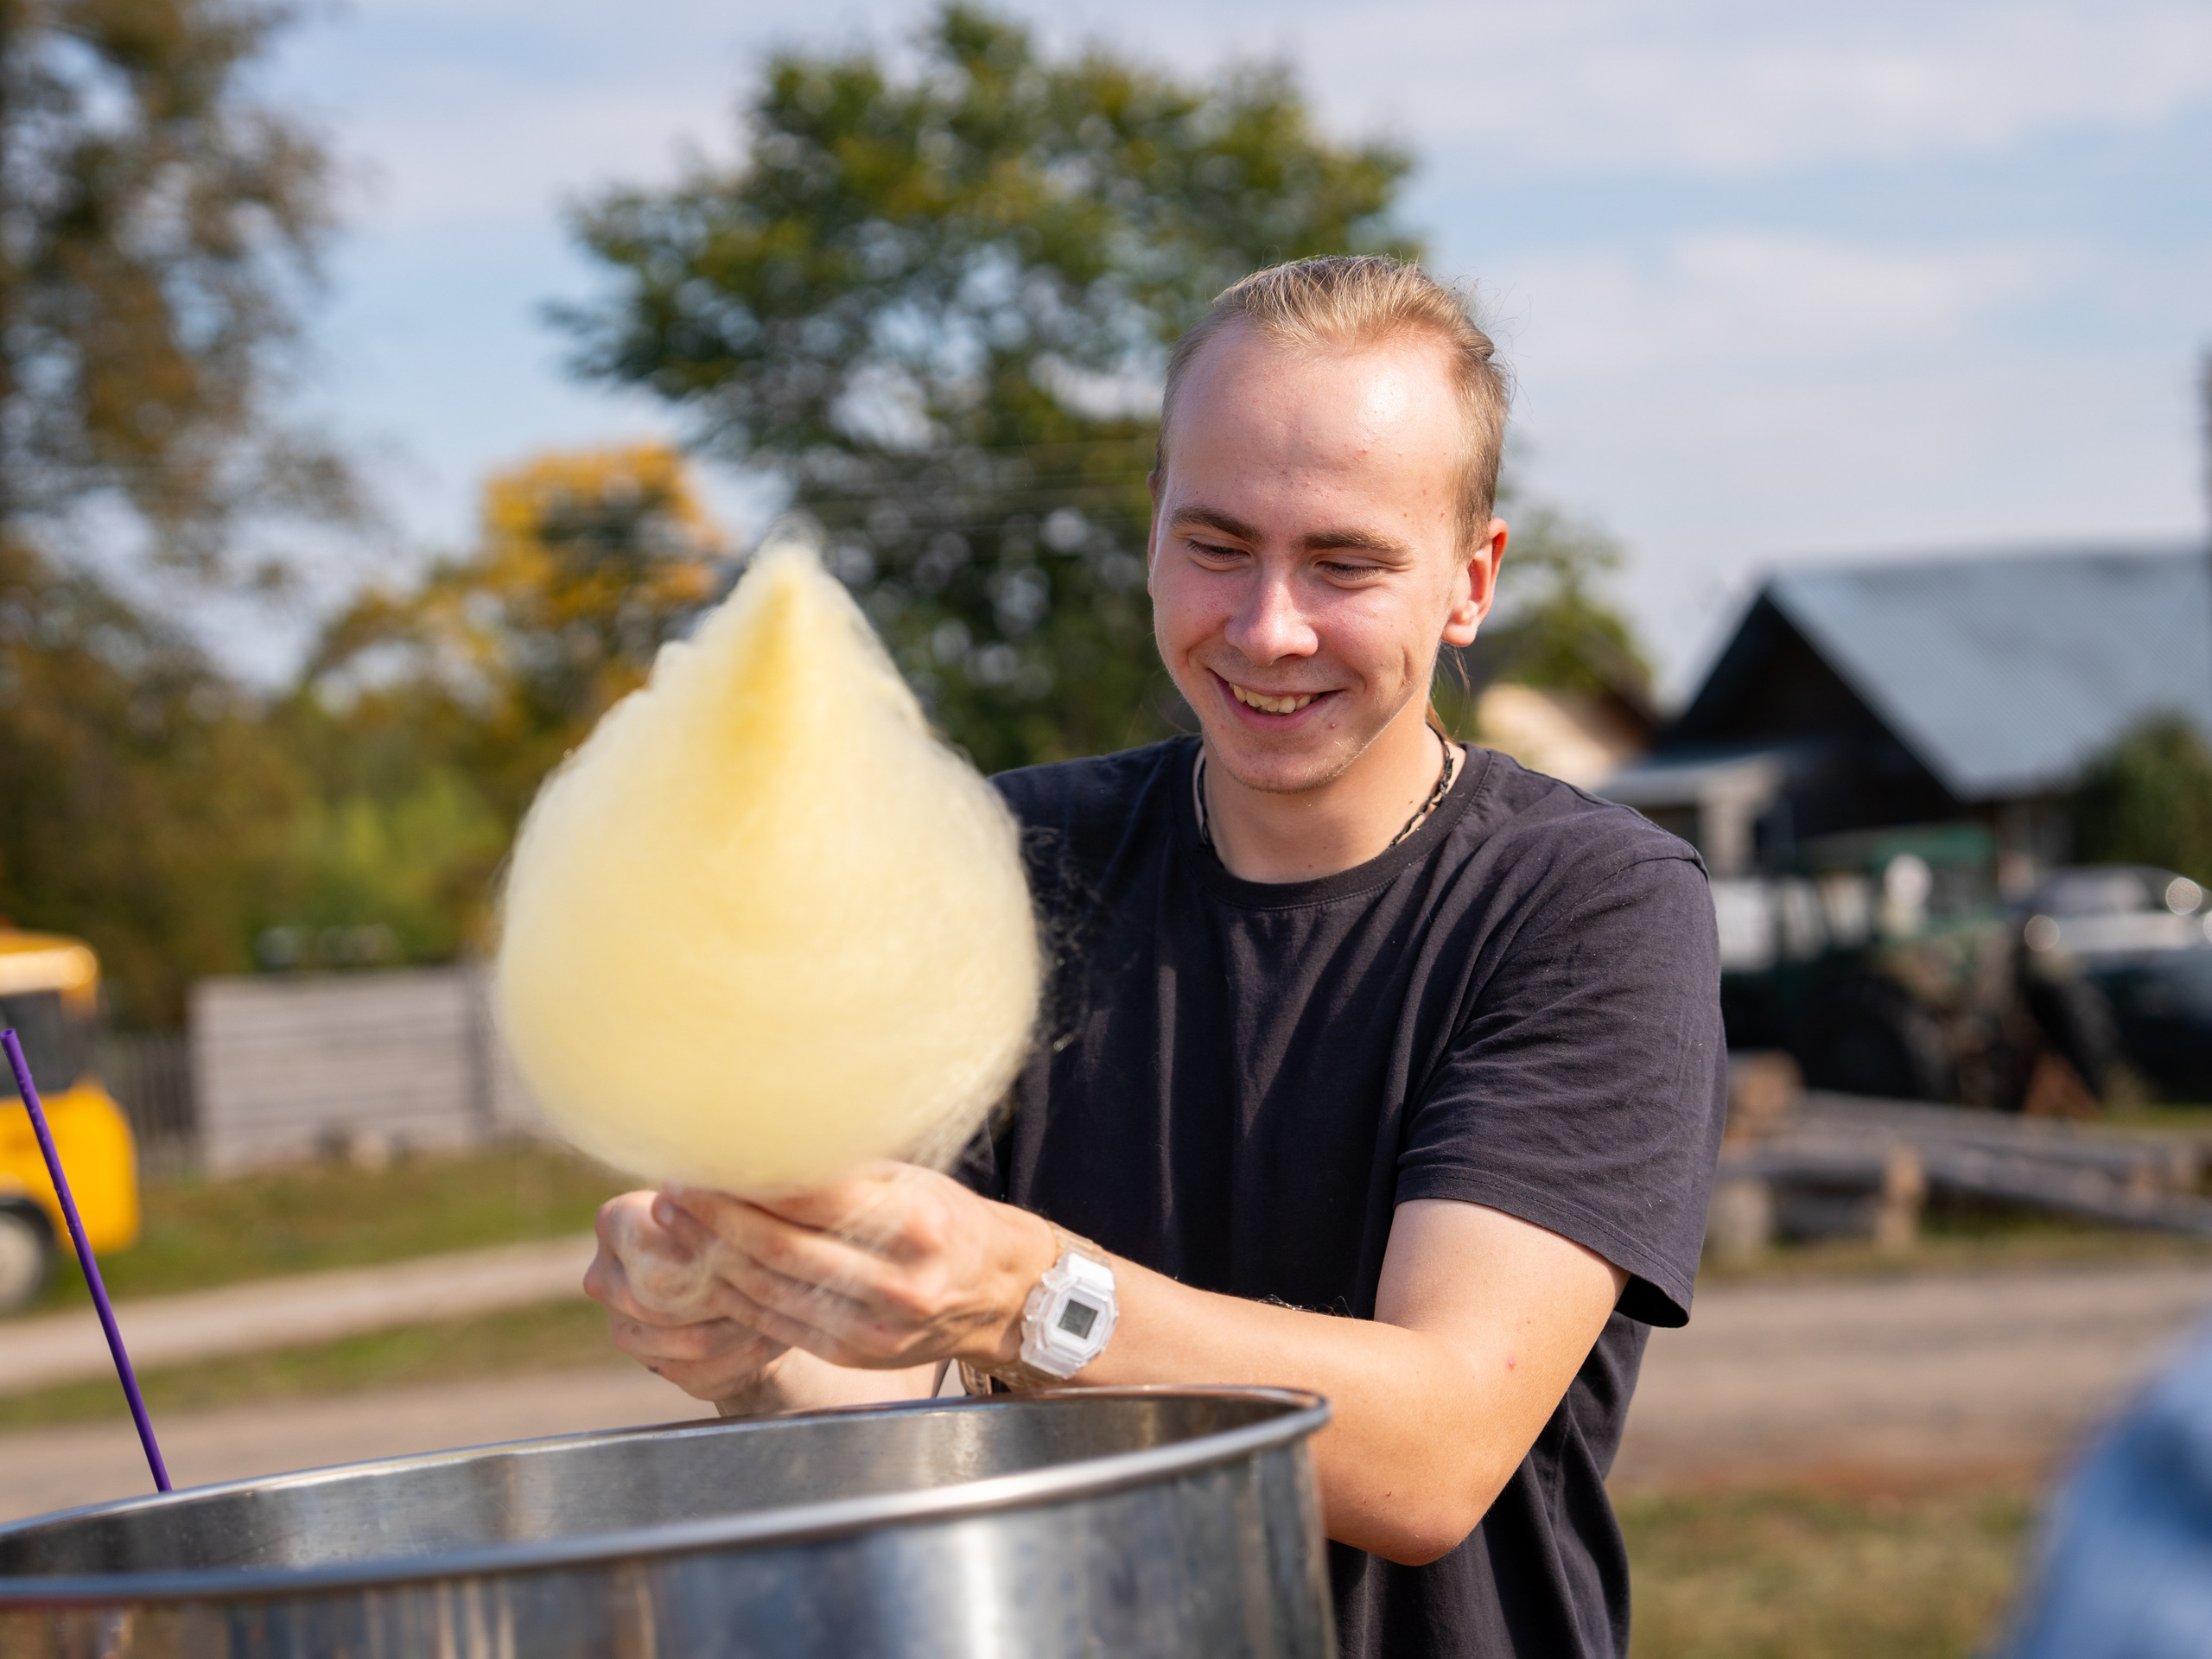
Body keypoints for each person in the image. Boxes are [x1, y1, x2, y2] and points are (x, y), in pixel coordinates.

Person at [584, 255, 1726, 1659]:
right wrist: (747, 1332)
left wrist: (1028, 1295)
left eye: (1347, 561)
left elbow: (1432, 1455)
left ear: (1469, 580)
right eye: (1219, 544)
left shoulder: (1588, 905)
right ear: (1153, 533)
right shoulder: (1008, 859)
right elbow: (908, 1409)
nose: (1267, 628)